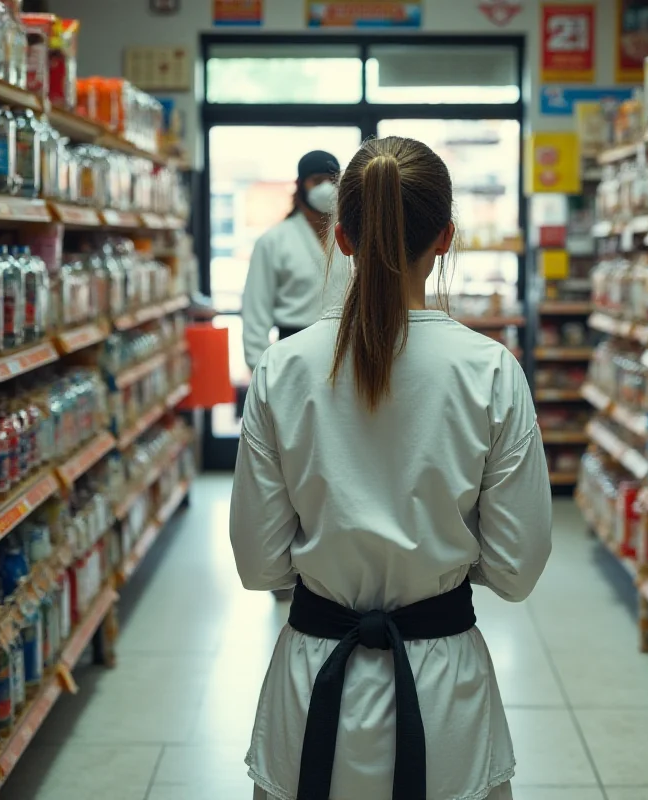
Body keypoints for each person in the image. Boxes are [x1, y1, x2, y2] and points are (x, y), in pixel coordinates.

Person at [230, 136, 552, 800]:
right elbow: (517, 570)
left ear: (342, 238)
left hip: (313, 681)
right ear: (446, 238)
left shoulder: (282, 369)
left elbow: (260, 565)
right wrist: (445, 553)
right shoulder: (490, 372)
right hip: (446, 699)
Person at [241, 149, 347, 372]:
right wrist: (263, 370)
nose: (326, 188)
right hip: (292, 352)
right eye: (316, 181)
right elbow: (255, 316)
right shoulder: (273, 242)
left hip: (346, 350)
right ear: (300, 185)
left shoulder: (352, 237)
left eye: (332, 181)